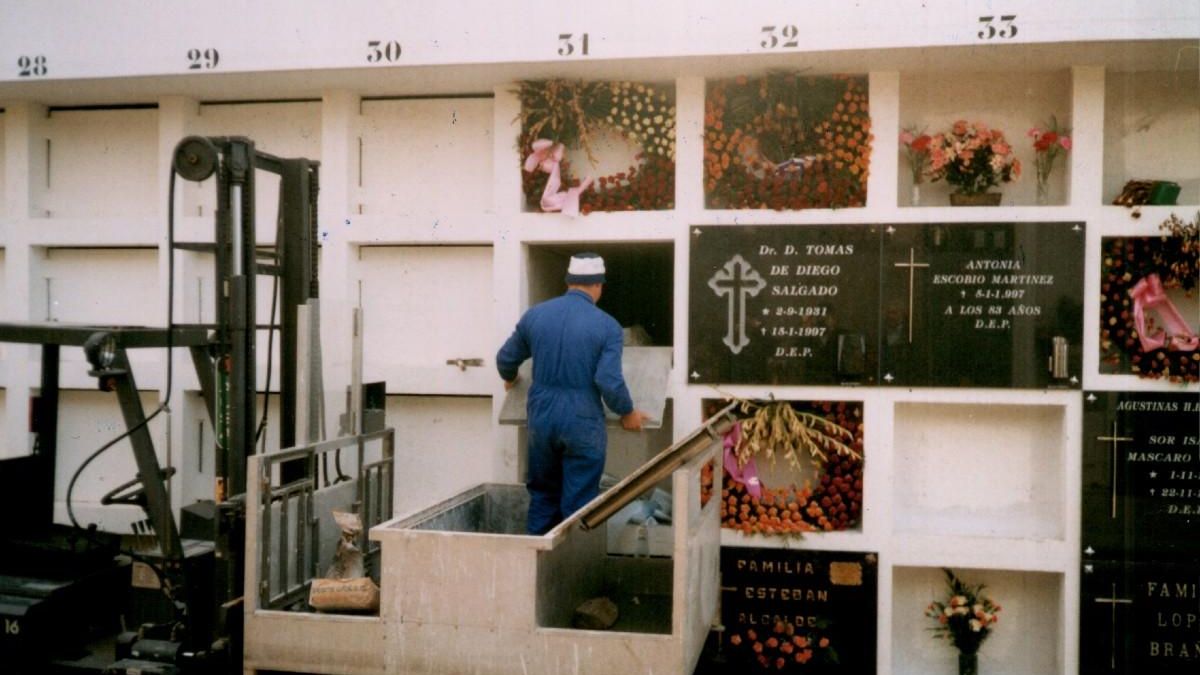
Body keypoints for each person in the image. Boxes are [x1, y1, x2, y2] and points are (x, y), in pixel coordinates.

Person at [496, 252, 648, 535]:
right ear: (599, 285)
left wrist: (511, 377)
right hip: (582, 418)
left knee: (542, 495)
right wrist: (628, 413)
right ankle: (569, 573)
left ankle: (538, 569)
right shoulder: (608, 326)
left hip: (541, 416)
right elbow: (608, 380)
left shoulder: (535, 315)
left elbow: (505, 358)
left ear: (569, 281)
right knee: (579, 507)